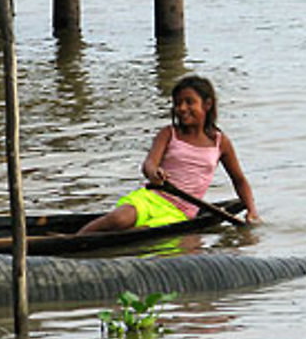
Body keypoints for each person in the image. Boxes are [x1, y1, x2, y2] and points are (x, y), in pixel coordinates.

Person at [77, 75, 260, 234]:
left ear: (207, 104)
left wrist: (251, 211)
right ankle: (77, 238)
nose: (181, 108)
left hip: (181, 213)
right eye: (178, 103)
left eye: (189, 102)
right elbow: (149, 164)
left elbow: (239, 180)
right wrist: (154, 173)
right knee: (119, 220)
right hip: (151, 198)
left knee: (142, 233)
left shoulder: (220, 143)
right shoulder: (169, 133)